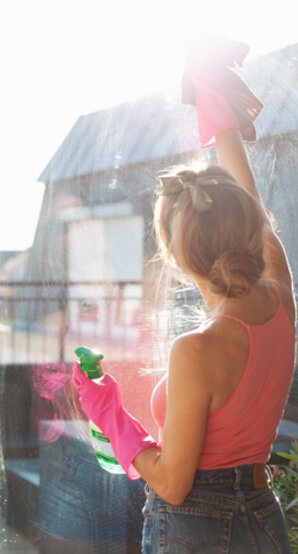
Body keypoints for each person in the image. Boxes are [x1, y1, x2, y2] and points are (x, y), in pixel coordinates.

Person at [72, 34, 296, 553]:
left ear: (177, 257)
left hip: (200, 529)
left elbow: (173, 482)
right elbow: (252, 204)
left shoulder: (197, 348)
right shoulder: (280, 298)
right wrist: (214, 104)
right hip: (262, 519)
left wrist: (109, 413)